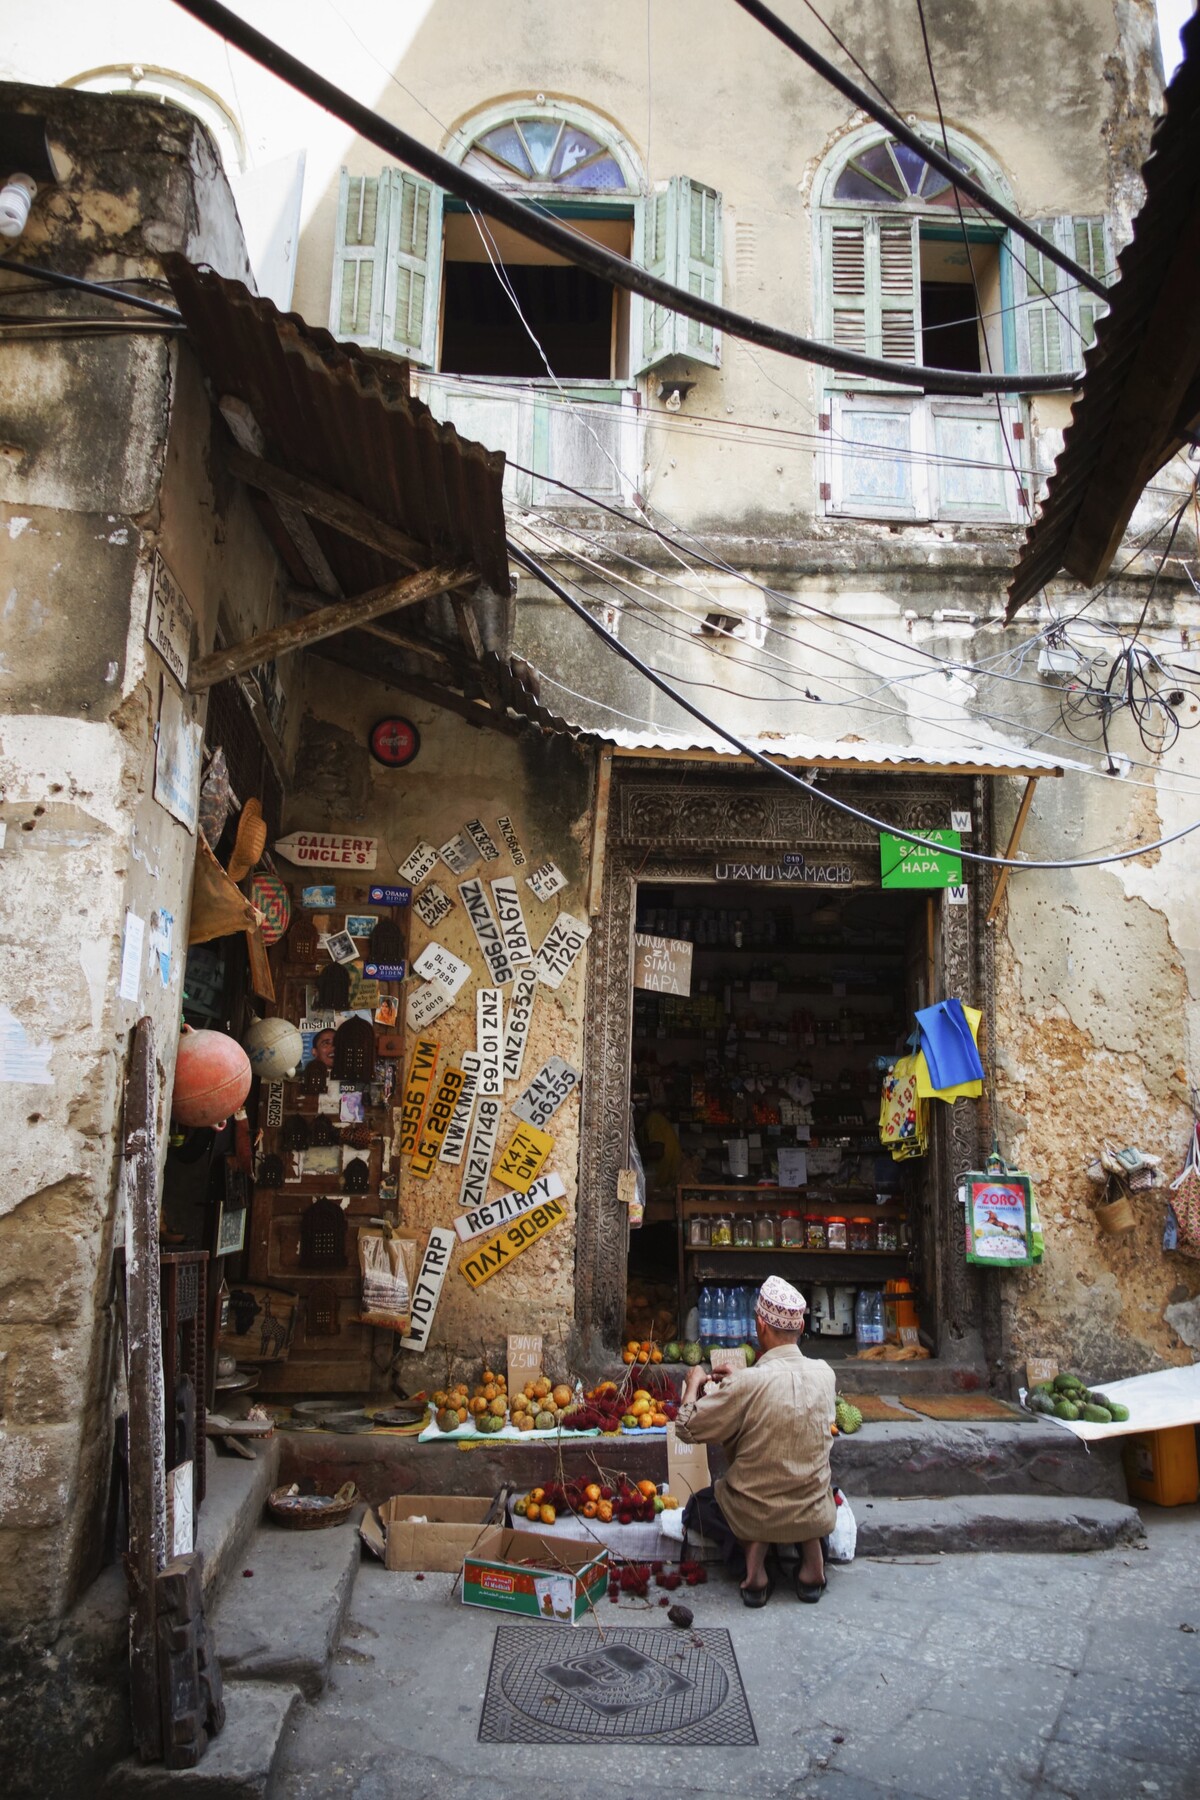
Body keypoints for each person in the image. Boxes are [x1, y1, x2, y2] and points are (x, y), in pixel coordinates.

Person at [674, 1274, 837, 1607]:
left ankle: (755, 1572)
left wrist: (693, 1383)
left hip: (756, 1511)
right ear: (801, 1325)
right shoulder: (825, 1373)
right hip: (812, 1511)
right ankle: (811, 1568)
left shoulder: (747, 1384)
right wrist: (743, 1383)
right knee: (806, 1481)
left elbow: (687, 1428)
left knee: (702, 1505)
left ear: (761, 1325)